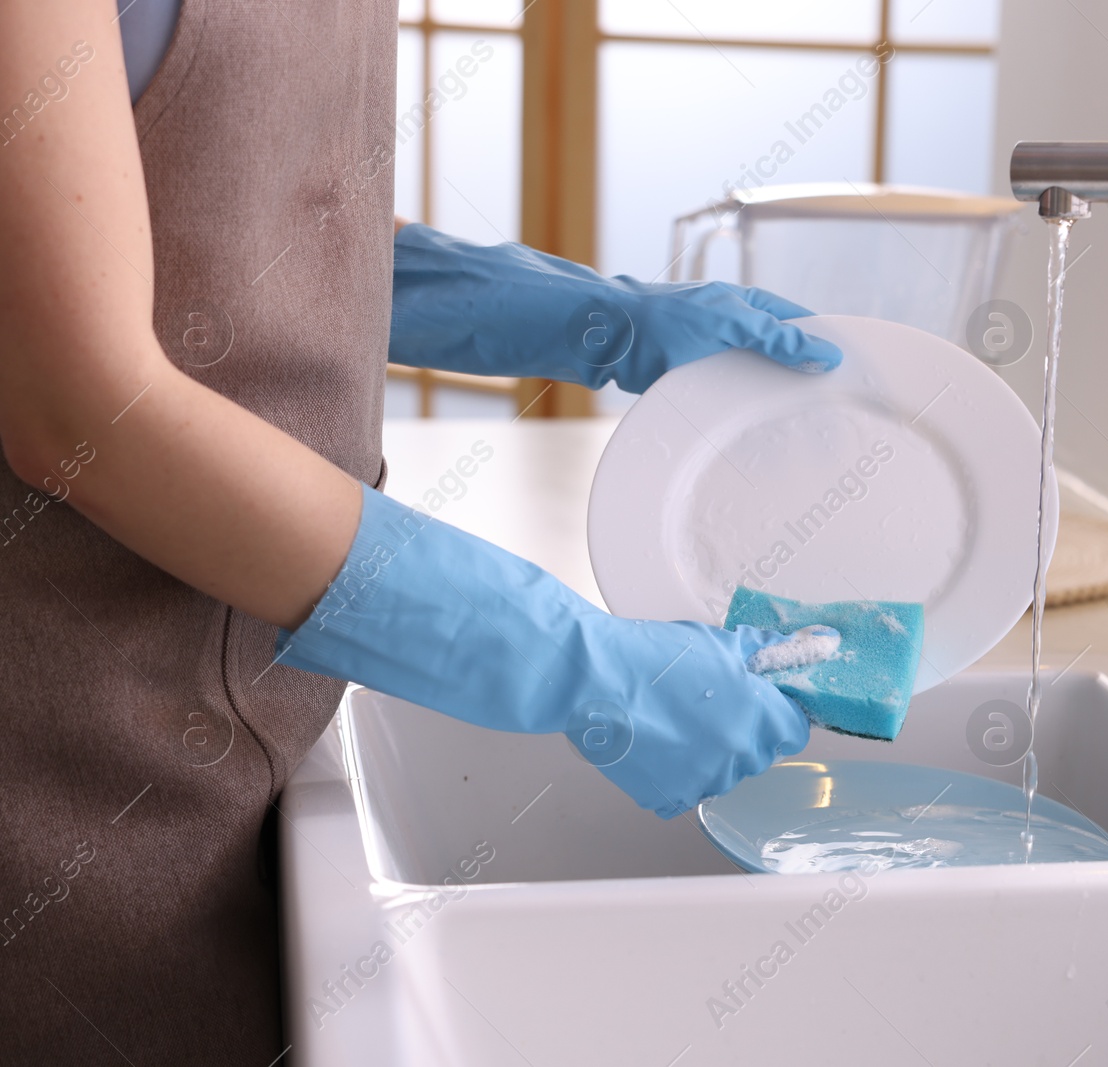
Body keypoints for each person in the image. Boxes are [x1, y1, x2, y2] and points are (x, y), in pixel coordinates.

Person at [0, 2, 842, 1061]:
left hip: (253, 726)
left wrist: (596, 318)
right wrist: (566, 655)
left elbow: (237, 229)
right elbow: (82, 412)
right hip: (60, 770)